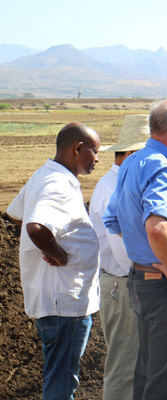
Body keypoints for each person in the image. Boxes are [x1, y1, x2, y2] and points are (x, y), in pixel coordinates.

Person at [103, 99, 167, 399]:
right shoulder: (162, 167)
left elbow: (113, 219)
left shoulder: (133, 162)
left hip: (142, 282)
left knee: (148, 376)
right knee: (164, 384)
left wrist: (145, 249)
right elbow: (157, 226)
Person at [7, 122, 101, 400]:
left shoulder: (45, 174)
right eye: (94, 151)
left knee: (60, 376)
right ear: (78, 148)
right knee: (61, 382)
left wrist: (54, 241)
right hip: (64, 303)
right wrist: (58, 254)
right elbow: (35, 227)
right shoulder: (58, 184)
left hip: (57, 301)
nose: (97, 159)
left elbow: (15, 213)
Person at [89, 114, 149, 400]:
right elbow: (125, 254)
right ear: (132, 154)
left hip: (125, 285)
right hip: (125, 285)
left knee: (134, 366)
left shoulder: (117, 184)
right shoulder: (115, 189)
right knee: (125, 369)